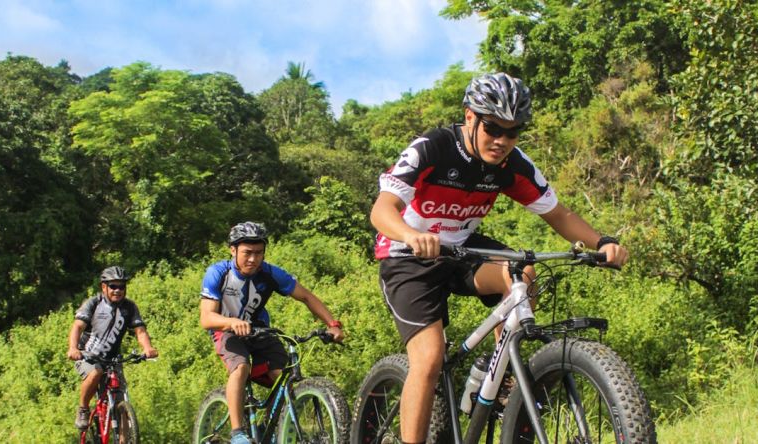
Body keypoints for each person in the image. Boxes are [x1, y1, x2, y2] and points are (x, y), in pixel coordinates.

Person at [369, 72, 629, 443]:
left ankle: (500, 375)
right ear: (470, 117)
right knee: (429, 359)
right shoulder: (432, 147)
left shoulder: (512, 164)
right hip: (407, 256)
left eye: (513, 131)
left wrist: (602, 241)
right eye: (493, 128)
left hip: (463, 250)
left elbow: (559, 214)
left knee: (522, 274)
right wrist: (411, 234)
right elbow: (382, 210)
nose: (502, 140)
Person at [199, 221, 346, 444]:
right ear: (233, 250)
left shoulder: (270, 274)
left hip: (260, 331)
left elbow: (306, 296)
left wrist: (332, 323)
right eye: (247, 252)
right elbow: (206, 318)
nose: (253, 259)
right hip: (225, 331)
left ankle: (271, 426)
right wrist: (231, 322)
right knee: (240, 367)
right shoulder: (218, 273)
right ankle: (237, 432)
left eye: (259, 253)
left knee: (282, 379)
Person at [68, 266, 159, 430]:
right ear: (104, 287)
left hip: (113, 359)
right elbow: (77, 327)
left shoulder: (129, 307)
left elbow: (140, 331)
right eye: (113, 286)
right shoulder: (94, 303)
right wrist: (73, 348)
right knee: (96, 372)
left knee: (121, 401)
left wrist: (148, 348)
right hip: (87, 356)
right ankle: (83, 409)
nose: (118, 290)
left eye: (121, 286)